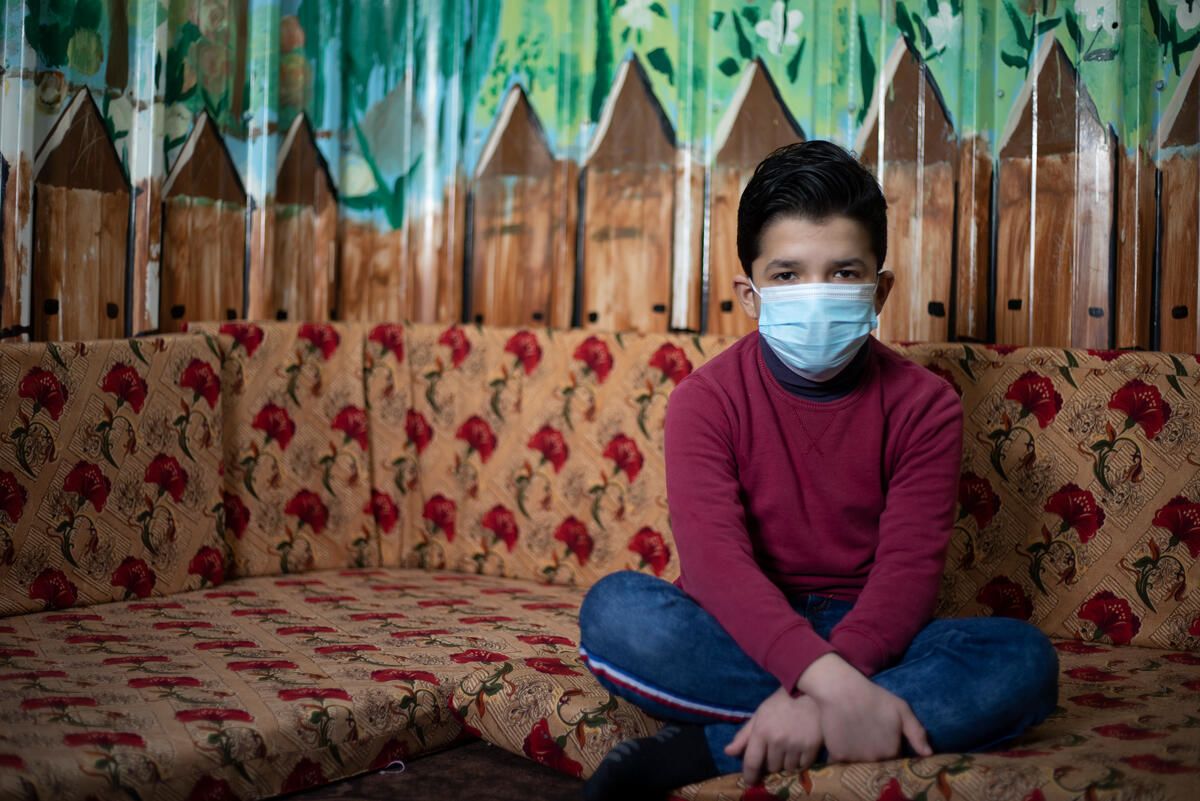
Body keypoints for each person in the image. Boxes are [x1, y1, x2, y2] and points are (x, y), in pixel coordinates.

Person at [576, 140, 1059, 801]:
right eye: (787, 274)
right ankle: (851, 715)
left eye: (841, 272)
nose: (815, 293)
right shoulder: (705, 399)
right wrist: (830, 684)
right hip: (739, 626)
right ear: (750, 294)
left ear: (879, 289)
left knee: (1021, 661)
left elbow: (906, 578)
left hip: (878, 637)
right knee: (616, 613)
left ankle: (716, 745)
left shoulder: (925, 404)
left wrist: (819, 685)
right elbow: (718, 567)